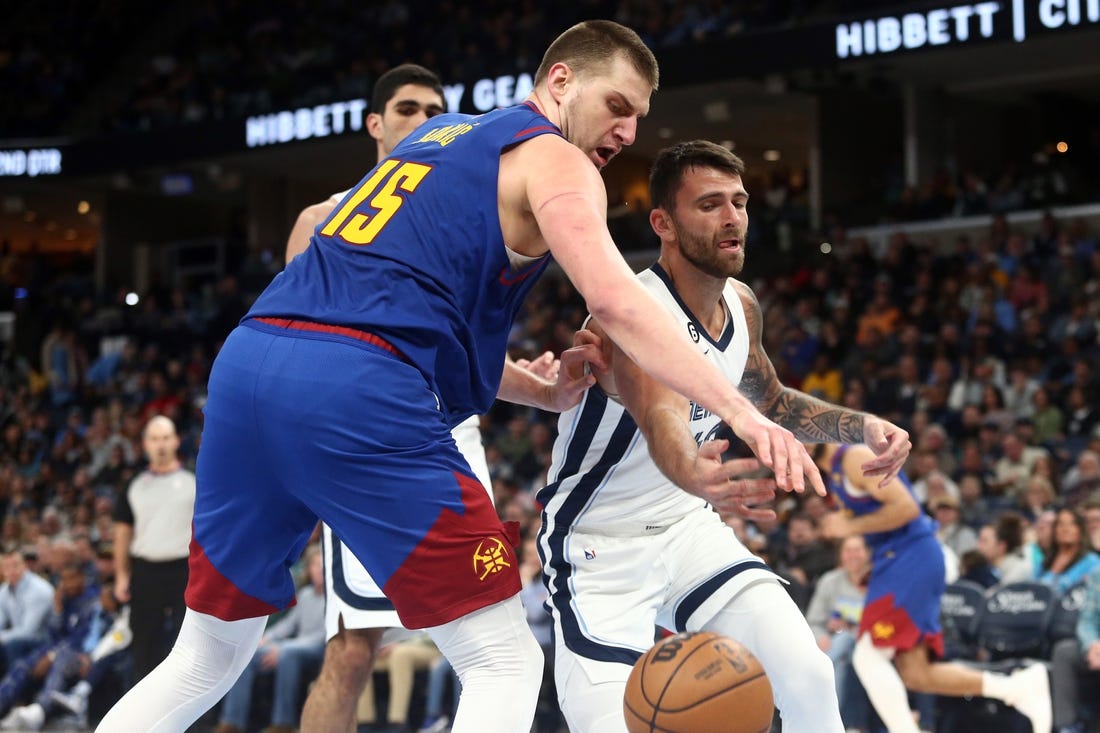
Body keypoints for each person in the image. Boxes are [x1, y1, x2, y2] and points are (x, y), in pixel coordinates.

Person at [96, 21, 825, 733]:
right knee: (503, 660)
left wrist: (538, 390)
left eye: (639, 117)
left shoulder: (429, 141)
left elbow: (387, 299)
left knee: (205, 654)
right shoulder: (553, 156)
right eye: (618, 106)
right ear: (561, 81)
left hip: (249, 365)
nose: (629, 131)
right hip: (359, 391)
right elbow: (614, 297)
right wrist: (743, 410)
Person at [540, 140, 910, 732]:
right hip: (598, 547)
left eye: (739, 201)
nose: (733, 216)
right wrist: (698, 475)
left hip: (688, 532)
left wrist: (861, 426)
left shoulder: (742, 303)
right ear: (663, 222)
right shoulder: (628, 312)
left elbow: (773, 399)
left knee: (808, 675)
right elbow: (661, 417)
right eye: (710, 204)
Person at [284, 64, 580, 733]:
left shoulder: (467, 214)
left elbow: (455, 348)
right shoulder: (323, 220)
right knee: (355, 646)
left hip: (454, 442)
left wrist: (537, 388)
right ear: (375, 124)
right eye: (408, 108)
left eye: (436, 110)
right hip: (365, 444)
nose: (425, 120)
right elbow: (305, 364)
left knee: (491, 635)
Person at [814, 442, 1051, 733]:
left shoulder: (852, 457)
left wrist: (849, 527)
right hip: (895, 561)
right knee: (916, 674)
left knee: (868, 653)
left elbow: (907, 508)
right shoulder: (835, 471)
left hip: (912, 557)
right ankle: (1016, 686)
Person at [112, 414, 195, 686]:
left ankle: (192, 726)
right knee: (144, 646)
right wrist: (121, 577)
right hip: (146, 570)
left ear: (176, 441)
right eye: (155, 439)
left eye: (165, 438)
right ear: (145, 444)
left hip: (185, 569)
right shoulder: (134, 486)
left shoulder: (193, 481)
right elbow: (123, 533)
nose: (160, 444)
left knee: (189, 645)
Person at [212, 544, 326, 733]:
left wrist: (282, 647)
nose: (319, 570)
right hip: (295, 645)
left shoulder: (334, 597)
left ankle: (283, 724)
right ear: (309, 569)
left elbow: (323, 635)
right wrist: (264, 638)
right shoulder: (305, 595)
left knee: (287, 654)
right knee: (248, 653)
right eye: (315, 565)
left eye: (322, 565)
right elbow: (288, 625)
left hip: (318, 647)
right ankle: (232, 723)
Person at [0, 563, 100, 730]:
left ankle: (40, 709)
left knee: (60, 658)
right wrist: (58, 609)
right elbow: (54, 634)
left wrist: (52, 655)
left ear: (82, 578)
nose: (68, 584)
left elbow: (82, 639)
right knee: (24, 663)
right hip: (57, 647)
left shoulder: (92, 601)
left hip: (81, 654)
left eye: (72, 579)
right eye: (64, 580)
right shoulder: (65, 599)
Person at [805, 534, 870, 731]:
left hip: (867, 645)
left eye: (857, 550)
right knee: (840, 662)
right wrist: (821, 636)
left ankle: (822, 721)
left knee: (844, 640)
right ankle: (843, 725)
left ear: (867, 554)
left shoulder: (877, 582)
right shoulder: (829, 581)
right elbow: (814, 621)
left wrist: (848, 626)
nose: (853, 555)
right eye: (848, 550)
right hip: (834, 646)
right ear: (841, 555)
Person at [1050, 563, 1100, 733]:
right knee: (1064, 652)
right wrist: (1091, 645)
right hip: (1098, 647)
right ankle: (1066, 726)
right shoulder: (1097, 574)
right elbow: (1087, 620)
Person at [0, 551, 54, 675]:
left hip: (44, 641)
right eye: (6, 567)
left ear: (24, 565)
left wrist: (2, 637)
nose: (11, 570)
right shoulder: (3, 591)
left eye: (15, 565)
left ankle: (11, 691)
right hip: (19, 638)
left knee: (13, 645)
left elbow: (28, 631)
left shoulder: (39, 590)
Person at [1036, 507, 1100, 594]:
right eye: (1061, 524)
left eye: (1072, 524)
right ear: (1054, 530)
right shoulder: (1044, 562)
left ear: (1080, 530)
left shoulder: (1092, 562)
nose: (1065, 529)